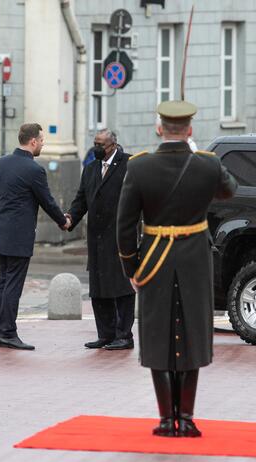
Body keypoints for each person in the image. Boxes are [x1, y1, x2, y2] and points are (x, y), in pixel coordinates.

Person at [117, 101, 237, 437]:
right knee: (193, 333)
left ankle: (166, 420)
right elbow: (230, 189)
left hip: (154, 259)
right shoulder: (207, 165)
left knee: (158, 334)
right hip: (195, 259)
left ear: (159, 129)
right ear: (189, 130)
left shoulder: (139, 168)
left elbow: (124, 225)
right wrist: (199, 154)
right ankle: (186, 417)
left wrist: (131, 265)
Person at [0, 123, 68, 350]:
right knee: (12, 284)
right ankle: (7, 333)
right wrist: (64, 221)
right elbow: (47, 201)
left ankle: (2, 330)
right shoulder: (34, 170)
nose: (43, 143)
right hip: (19, 236)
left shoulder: (0, 163)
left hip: (1, 232)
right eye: (42, 140)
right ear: (33, 141)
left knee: (5, 282)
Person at [66, 129, 135, 350]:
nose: (97, 148)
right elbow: (80, 200)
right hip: (96, 239)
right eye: (95, 143)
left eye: (101, 144)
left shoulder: (129, 165)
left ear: (113, 145)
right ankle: (105, 334)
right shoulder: (90, 168)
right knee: (99, 288)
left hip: (119, 237)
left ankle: (124, 335)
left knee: (121, 287)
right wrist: (69, 219)